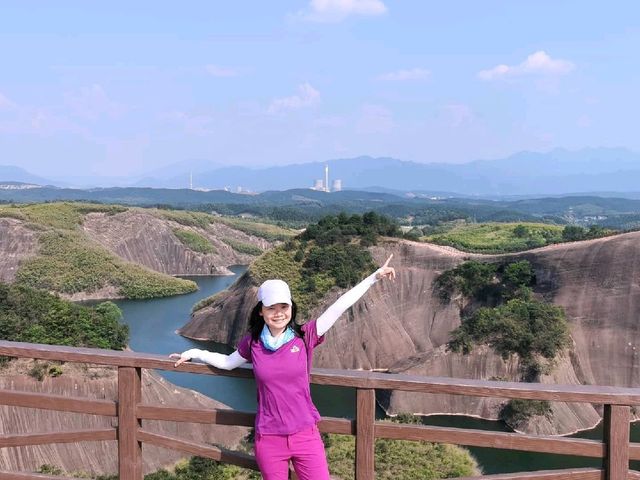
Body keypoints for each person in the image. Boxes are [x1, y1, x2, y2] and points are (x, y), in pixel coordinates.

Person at [171, 255, 396, 480]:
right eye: (271, 308)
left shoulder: (305, 335)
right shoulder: (254, 342)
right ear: (261, 311)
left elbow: (339, 307)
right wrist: (193, 353)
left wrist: (374, 277)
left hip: (305, 434)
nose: (278, 313)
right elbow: (228, 363)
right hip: (269, 438)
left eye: (283, 306)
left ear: (291, 307)